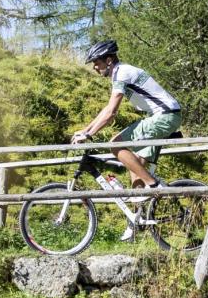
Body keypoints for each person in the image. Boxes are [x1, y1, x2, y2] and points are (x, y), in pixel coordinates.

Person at [71, 40, 182, 192]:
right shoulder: (121, 72)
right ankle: (141, 212)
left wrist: (89, 134)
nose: (94, 67)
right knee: (135, 169)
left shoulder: (122, 73)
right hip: (165, 116)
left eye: (96, 63)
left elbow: (111, 112)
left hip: (164, 116)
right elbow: (108, 108)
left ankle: (153, 185)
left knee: (115, 144)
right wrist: (85, 130)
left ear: (108, 60)